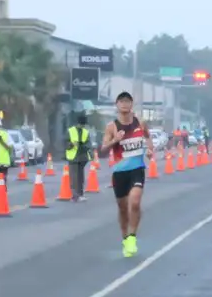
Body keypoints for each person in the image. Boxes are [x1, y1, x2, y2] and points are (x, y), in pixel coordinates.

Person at [102, 92, 152, 259]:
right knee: (123, 209)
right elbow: (103, 149)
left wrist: (150, 149)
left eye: (127, 101)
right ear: (116, 105)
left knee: (135, 203)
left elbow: (148, 136)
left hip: (137, 169)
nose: (124, 104)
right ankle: (125, 237)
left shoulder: (140, 122)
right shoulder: (112, 126)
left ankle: (132, 237)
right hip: (119, 172)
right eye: (121, 101)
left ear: (132, 104)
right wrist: (115, 140)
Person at [64, 112, 91, 201]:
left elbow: (88, 145)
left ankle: (80, 194)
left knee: (80, 177)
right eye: (81, 124)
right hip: (73, 158)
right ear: (78, 123)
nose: (82, 126)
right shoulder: (70, 131)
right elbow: (64, 143)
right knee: (74, 178)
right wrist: (71, 144)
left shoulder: (86, 132)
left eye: (83, 125)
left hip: (82, 158)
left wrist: (81, 145)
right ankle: (75, 196)